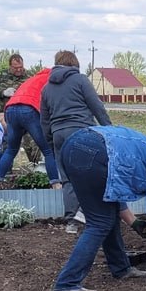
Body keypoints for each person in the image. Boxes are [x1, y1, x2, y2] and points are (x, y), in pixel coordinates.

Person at [52, 127, 146, 291]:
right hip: (94, 151)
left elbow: (113, 192)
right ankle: (67, 282)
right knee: (99, 222)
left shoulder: (139, 147)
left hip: (73, 145)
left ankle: (121, 268)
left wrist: (134, 223)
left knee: (106, 215)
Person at [41, 50, 111, 234]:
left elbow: (45, 119)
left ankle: (71, 222)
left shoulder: (46, 88)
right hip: (80, 132)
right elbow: (96, 106)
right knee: (91, 173)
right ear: (75, 65)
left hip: (58, 135)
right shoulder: (80, 80)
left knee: (67, 179)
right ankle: (88, 214)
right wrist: (109, 129)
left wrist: (50, 140)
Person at [0, 66, 59, 190]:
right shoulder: (51, 80)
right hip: (29, 110)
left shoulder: (33, 79)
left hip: (11, 108)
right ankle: (56, 184)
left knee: (12, 149)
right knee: (48, 150)